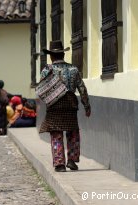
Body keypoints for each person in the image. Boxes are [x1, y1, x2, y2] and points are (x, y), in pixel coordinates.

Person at [39, 40, 91, 172]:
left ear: (51, 56)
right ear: (63, 54)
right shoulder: (73, 69)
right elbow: (82, 89)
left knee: (56, 134)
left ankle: (59, 163)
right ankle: (72, 161)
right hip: (70, 105)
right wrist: (87, 105)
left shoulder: (46, 70)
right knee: (73, 133)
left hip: (54, 106)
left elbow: (41, 89)